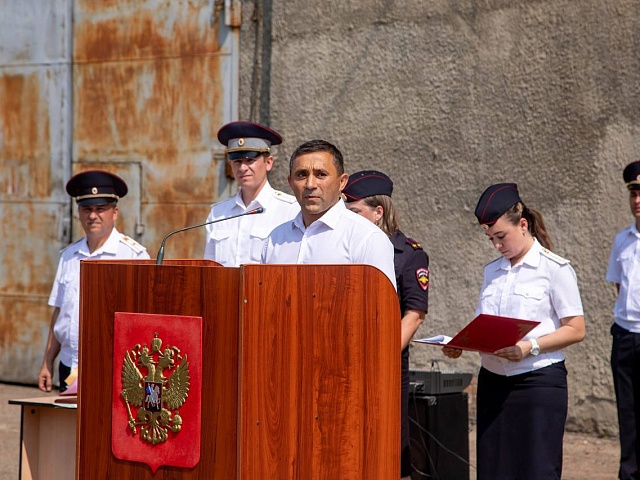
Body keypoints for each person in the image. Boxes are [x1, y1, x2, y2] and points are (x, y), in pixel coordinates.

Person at [443, 183, 585, 480]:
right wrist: (462, 343)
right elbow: (485, 324)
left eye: (501, 236)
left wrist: (528, 347)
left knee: (536, 469)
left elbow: (575, 329)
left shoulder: (554, 269)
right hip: (494, 382)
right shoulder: (492, 271)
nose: (497, 245)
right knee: (494, 468)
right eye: (490, 238)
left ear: (523, 225)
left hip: (537, 383)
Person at [342, 170, 428, 480]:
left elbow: (415, 313)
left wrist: (382, 352)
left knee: (387, 441)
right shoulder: (344, 243)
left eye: (355, 212)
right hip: (345, 356)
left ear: (378, 212)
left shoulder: (408, 254)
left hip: (385, 361)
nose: (347, 218)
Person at [38, 170, 150, 393]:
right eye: (86, 209)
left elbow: (145, 318)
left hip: (115, 367)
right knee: (71, 427)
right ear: (79, 212)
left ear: (114, 212)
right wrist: (47, 362)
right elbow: (60, 314)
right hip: (69, 366)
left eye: (100, 209)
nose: (92, 216)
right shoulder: (69, 256)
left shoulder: (133, 256)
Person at [261, 139, 396, 288]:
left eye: (321, 174)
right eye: (301, 175)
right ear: (290, 182)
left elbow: (381, 308)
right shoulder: (275, 239)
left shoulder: (366, 238)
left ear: (342, 182)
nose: (310, 184)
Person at [204, 121, 299, 266]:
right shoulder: (218, 213)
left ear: (268, 162)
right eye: (237, 161)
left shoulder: (288, 210)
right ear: (230, 165)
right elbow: (209, 268)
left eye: (250, 160)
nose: (243, 168)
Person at [606, 159, 640, 480]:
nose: (637, 200)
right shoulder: (623, 240)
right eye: (633, 192)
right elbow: (620, 287)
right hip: (626, 336)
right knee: (627, 414)